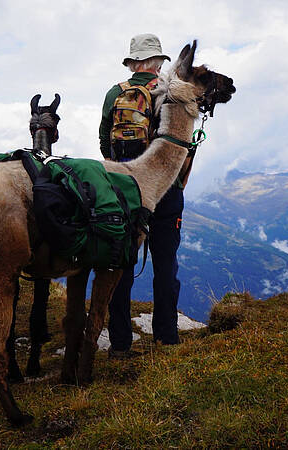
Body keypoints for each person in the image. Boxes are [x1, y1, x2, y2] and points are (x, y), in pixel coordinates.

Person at [100, 33, 182, 358]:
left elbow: (104, 141)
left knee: (120, 265)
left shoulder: (114, 93)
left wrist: (123, 167)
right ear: (159, 62)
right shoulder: (171, 93)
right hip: (165, 191)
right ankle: (167, 336)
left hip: (125, 190)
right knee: (165, 264)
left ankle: (120, 343)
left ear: (133, 63)